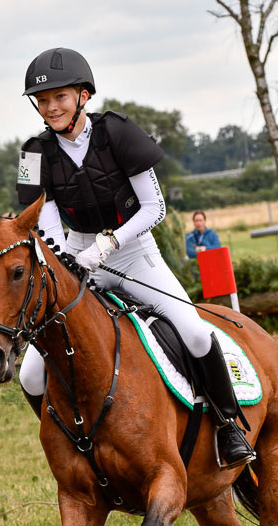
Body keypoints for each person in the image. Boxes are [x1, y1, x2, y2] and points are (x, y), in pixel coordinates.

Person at [16, 47, 255, 470]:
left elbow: (154, 208)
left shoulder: (119, 133)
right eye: (43, 100)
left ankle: (228, 424)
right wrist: (66, 258)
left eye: (60, 97)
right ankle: (67, 440)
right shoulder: (33, 154)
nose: (51, 107)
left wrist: (106, 246)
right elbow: (44, 224)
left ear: (83, 95)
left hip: (133, 252)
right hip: (74, 256)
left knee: (196, 334)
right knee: (30, 374)